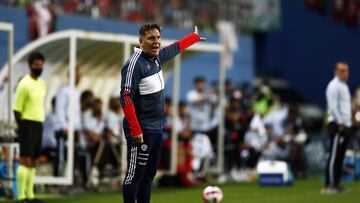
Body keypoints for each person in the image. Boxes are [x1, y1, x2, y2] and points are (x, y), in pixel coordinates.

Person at [120, 23, 205, 203]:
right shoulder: (135, 64)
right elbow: (126, 97)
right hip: (141, 131)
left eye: (158, 37)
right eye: (151, 38)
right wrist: (135, 129)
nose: (156, 42)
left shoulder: (156, 59)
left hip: (156, 129)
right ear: (141, 41)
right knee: (134, 175)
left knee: (148, 176)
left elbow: (174, 49)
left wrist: (193, 38)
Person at [13, 52, 47, 203]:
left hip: (39, 123)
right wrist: (20, 126)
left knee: (33, 161)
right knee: (25, 160)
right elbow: (17, 109)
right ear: (30, 65)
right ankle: (21, 197)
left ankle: (30, 195)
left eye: (41, 65)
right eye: (36, 65)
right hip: (26, 123)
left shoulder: (42, 84)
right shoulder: (24, 83)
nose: (39, 68)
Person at [322, 62, 352, 194]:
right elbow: (332, 107)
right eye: (342, 71)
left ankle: (337, 184)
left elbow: (345, 107)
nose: (345, 74)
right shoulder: (333, 86)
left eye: (346, 71)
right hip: (336, 125)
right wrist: (340, 122)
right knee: (334, 156)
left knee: (340, 156)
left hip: (345, 125)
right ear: (335, 71)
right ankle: (329, 185)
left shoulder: (344, 86)